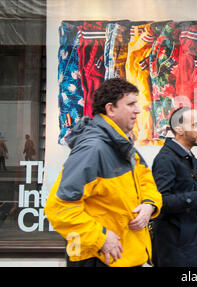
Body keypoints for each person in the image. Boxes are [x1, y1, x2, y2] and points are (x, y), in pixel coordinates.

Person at [44, 78, 162, 267]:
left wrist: (149, 205)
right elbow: (58, 208)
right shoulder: (93, 148)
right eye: (131, 104)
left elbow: (145, 180)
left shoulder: (121, 143)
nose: (138, 110)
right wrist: (101, 238)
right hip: (99, 258)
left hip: (123, 256)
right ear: (110, 109)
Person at [151, 106, 197, 267]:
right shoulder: (166, 159)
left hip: (188, 243)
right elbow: (160, 202)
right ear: (179, 129)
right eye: (195, 125)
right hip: (175, 250)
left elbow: (183, 188)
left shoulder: (183, 155)